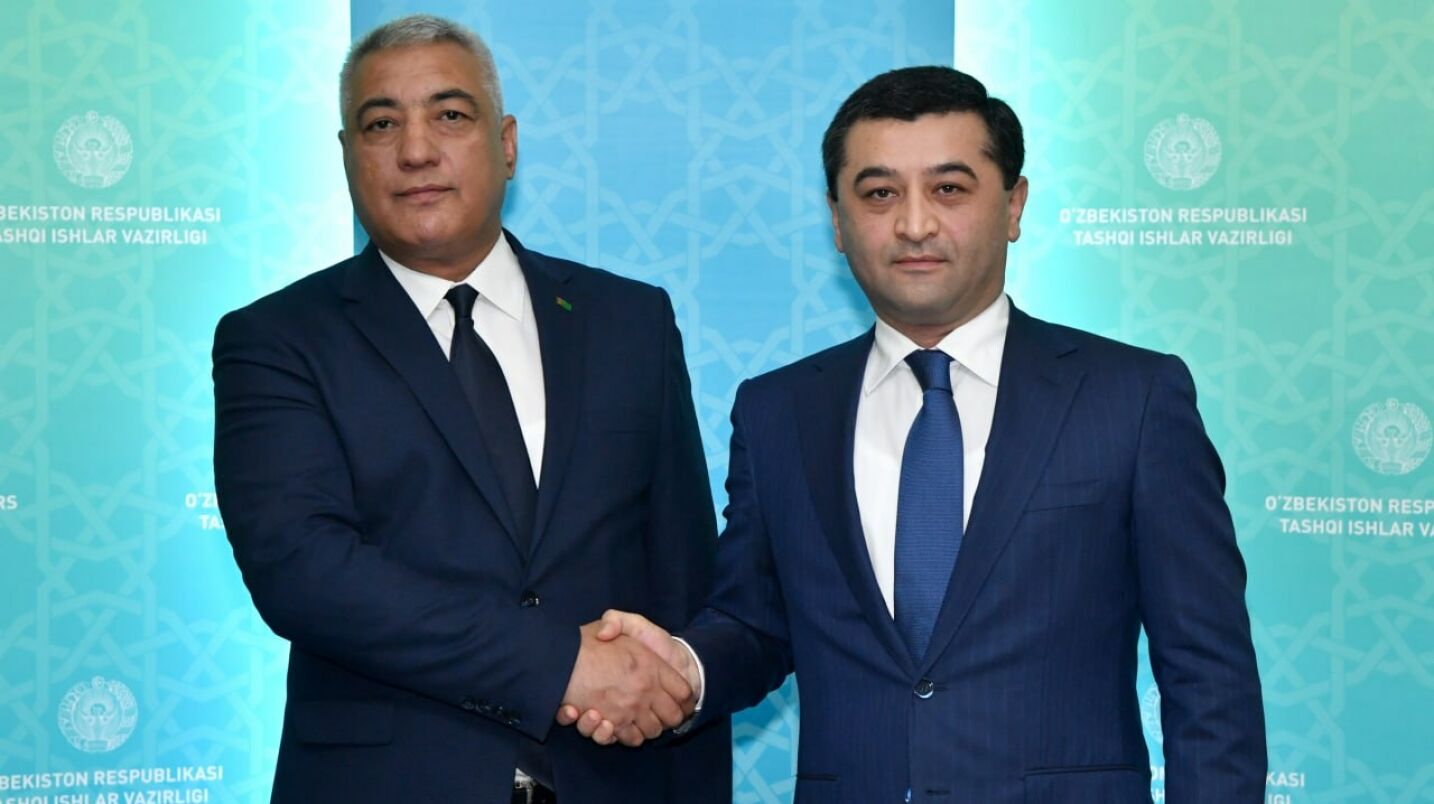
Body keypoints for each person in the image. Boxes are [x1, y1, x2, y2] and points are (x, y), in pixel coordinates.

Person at [564, 66, 1267, 802]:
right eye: (879, 194)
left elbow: (1208, 674)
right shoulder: (779, 411)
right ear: (837, 221)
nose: (914, 225)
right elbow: (756, 623)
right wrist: (684, 666)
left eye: (949, 188)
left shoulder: (1132, 398)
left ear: (1014, 205)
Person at [212, 14, 729, 803]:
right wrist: (560, 663)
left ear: (507, 143)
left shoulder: (631, 321)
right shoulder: (278, 339)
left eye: (450, 115)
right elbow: (305, 570)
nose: (416, 149)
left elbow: (684, 577)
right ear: (347, 154)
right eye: (381, 124)